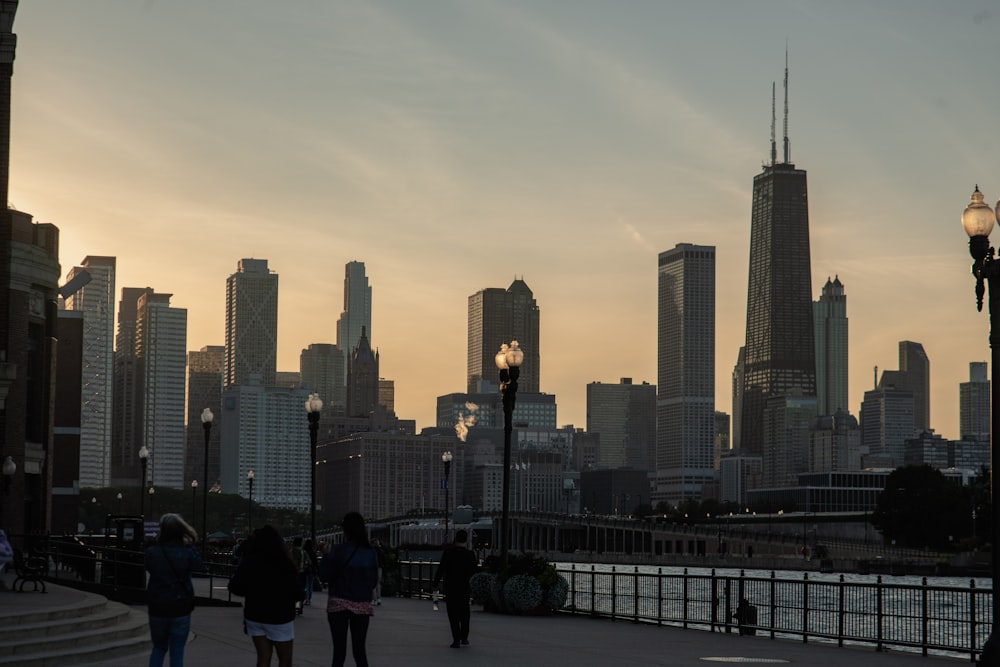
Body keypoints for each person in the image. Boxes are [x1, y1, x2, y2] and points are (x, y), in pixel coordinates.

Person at [228, 525, 303, 667]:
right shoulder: (285, 564)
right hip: (280, 616)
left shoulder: (250, 562)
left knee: (263, 657)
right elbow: (297, 592)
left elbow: (235, 587)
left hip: (255, 615)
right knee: (285, 659)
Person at [144, 513, 204, 667]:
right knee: (177, 650)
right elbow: (199, 567)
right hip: (180, 605)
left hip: (157, 605)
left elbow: (150, 568)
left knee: (158, 648)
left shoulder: (152, 552)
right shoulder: (187, 551)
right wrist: (191, 546)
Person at [320, 512, 379, 667]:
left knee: (339, 652)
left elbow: (324, 576)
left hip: (338, 602)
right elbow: (374, 582)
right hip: (361, 604)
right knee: (359, 651)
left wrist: (325, 555)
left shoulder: (338, 550)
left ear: (345, 529)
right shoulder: (370, 553)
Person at [431, 529, 478, 648]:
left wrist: (435, 584)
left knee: (453, 614)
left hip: (451, 587)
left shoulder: (448, 553)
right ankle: (465, 637)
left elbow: (441, 569)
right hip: (465, 588)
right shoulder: (470, 554)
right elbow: (474, 572)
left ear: (455, 539)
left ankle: (456, 639)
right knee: (465, 613)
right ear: (466, 540)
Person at [302, 538, 319, 606]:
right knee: (310, 585)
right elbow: (315, 563)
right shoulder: (313, 552)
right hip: (312, 571)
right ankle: (309, 598)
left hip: (305, 570)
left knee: (306, 585)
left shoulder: (304, 552)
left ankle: (306, 598)